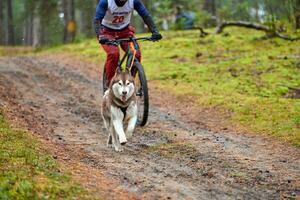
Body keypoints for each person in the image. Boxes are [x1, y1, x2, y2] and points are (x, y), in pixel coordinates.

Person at [93, 0, 162, 86]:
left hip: (125, 32)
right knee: (113, 54)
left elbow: (146, 16)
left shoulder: (134, 2)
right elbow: (97, 20)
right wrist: (101, 35)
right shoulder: (106, 2)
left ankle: (130, 81)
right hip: (107, 32)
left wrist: (155, 31)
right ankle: (110, 85)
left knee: (136, 54)